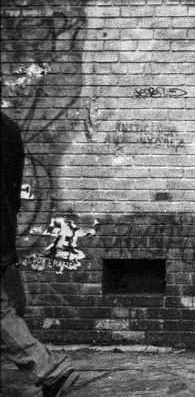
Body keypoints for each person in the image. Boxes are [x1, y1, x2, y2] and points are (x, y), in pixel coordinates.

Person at [2, 111, 80, 396]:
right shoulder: (8, 126)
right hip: (4, 229)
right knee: (11, 301)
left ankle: (50, 370)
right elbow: (14, 185)